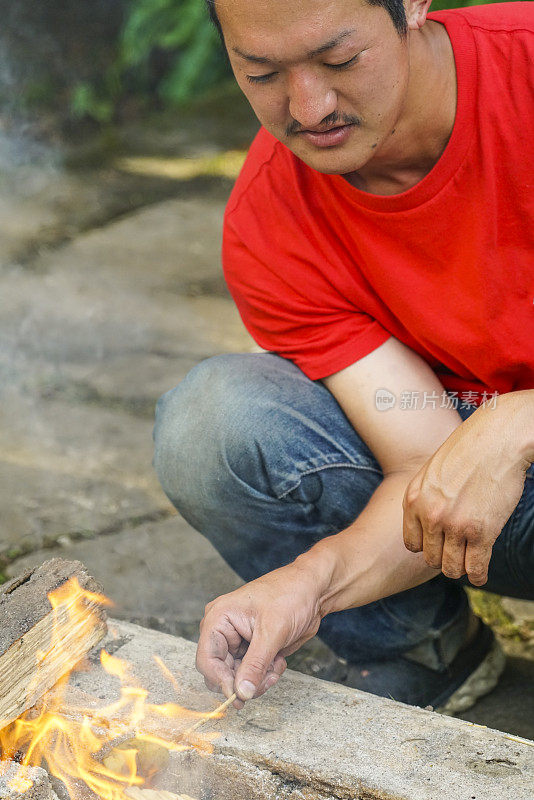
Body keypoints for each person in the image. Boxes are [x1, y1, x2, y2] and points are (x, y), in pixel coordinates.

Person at [153, 0, 534, 713]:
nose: (310, 106)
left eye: (339, 60)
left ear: (413, 5)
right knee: (214, 421)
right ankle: (424, 653)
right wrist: (308, 584)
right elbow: (424, 466)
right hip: (483, 516)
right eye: (262, 72)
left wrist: (520, 420)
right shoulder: (271, 221)